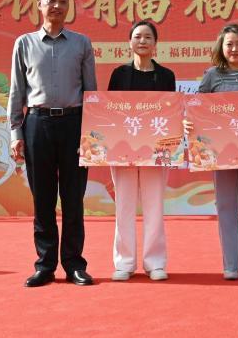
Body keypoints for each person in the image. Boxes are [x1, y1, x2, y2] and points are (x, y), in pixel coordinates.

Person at [8, 0, 97, 287]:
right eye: (51, 1)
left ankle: (74, 264)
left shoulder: (82, 44)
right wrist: (15, 132)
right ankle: (45, 265)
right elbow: (16, 91)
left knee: (73, 198)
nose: (56, 6)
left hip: (74, 124)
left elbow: (91, 92)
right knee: (43, 199)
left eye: (62, 1)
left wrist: (91, 134)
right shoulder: (24, 43)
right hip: (37, 124)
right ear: (39, 5)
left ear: (69, 7)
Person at [186, 23, 238, 281]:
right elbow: (198, 109)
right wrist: (189, 122)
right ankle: (231, 263)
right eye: (229, 44)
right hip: (220, 152)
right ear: (221, 48)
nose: (234, 49)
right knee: (226, 205)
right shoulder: (212, 75)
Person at [107, 20, 176, 282]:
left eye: (148, 37)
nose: (142, 41)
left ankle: (155, 262)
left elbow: (170, 112)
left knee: (154, 206)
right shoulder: (119, 74)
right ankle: (124, 262)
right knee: (123, 206)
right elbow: (110, 110)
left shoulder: (166, 76)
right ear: (130, 42)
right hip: (123, 150)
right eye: (137, 36)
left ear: (156, 43)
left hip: (156, 151)